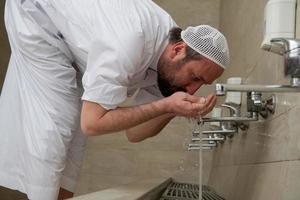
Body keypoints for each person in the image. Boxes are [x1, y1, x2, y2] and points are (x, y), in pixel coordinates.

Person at [0, 0, 229, 199]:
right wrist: (165, 104)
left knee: (74, 141)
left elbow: (134, 133)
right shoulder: (129, 41)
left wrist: (173, 108)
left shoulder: (169, 63)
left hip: (71, 36)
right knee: (56, 126)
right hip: (37, 16)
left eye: (201, 84)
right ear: (178, 49)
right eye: (195, 77)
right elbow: (92, 124)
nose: (192, 89)